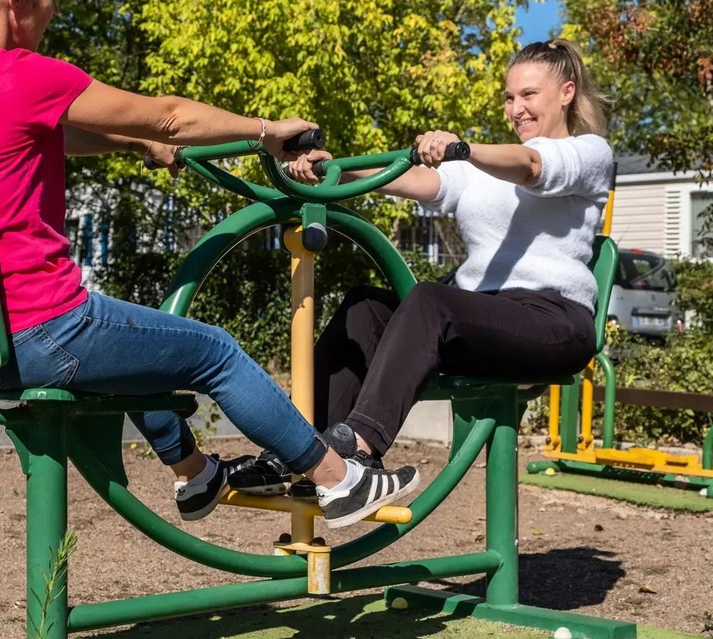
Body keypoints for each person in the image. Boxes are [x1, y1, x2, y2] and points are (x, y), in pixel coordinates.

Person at [0, 0, 419, 529]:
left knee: (144, 338)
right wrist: (267, 131)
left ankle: (193, 473)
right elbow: (169, 117)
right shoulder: (28, 75)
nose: (53, 14)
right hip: (45, 334)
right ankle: (341, 481)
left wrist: (131, 145)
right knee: (215, 351)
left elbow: (58, 134)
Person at [230, 38, 612, 495]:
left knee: (431, 300)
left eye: (529, 95)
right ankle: (296, 449)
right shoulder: (483, 169)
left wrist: (463, 148)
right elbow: (416, 179)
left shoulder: (589, 153)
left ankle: (359, 452)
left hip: (553, 321)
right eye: (509, 98)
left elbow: (532, 166)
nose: (516, 108)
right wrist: (336, 169)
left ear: (566, 93)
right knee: (365, 305)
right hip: (479, 318)